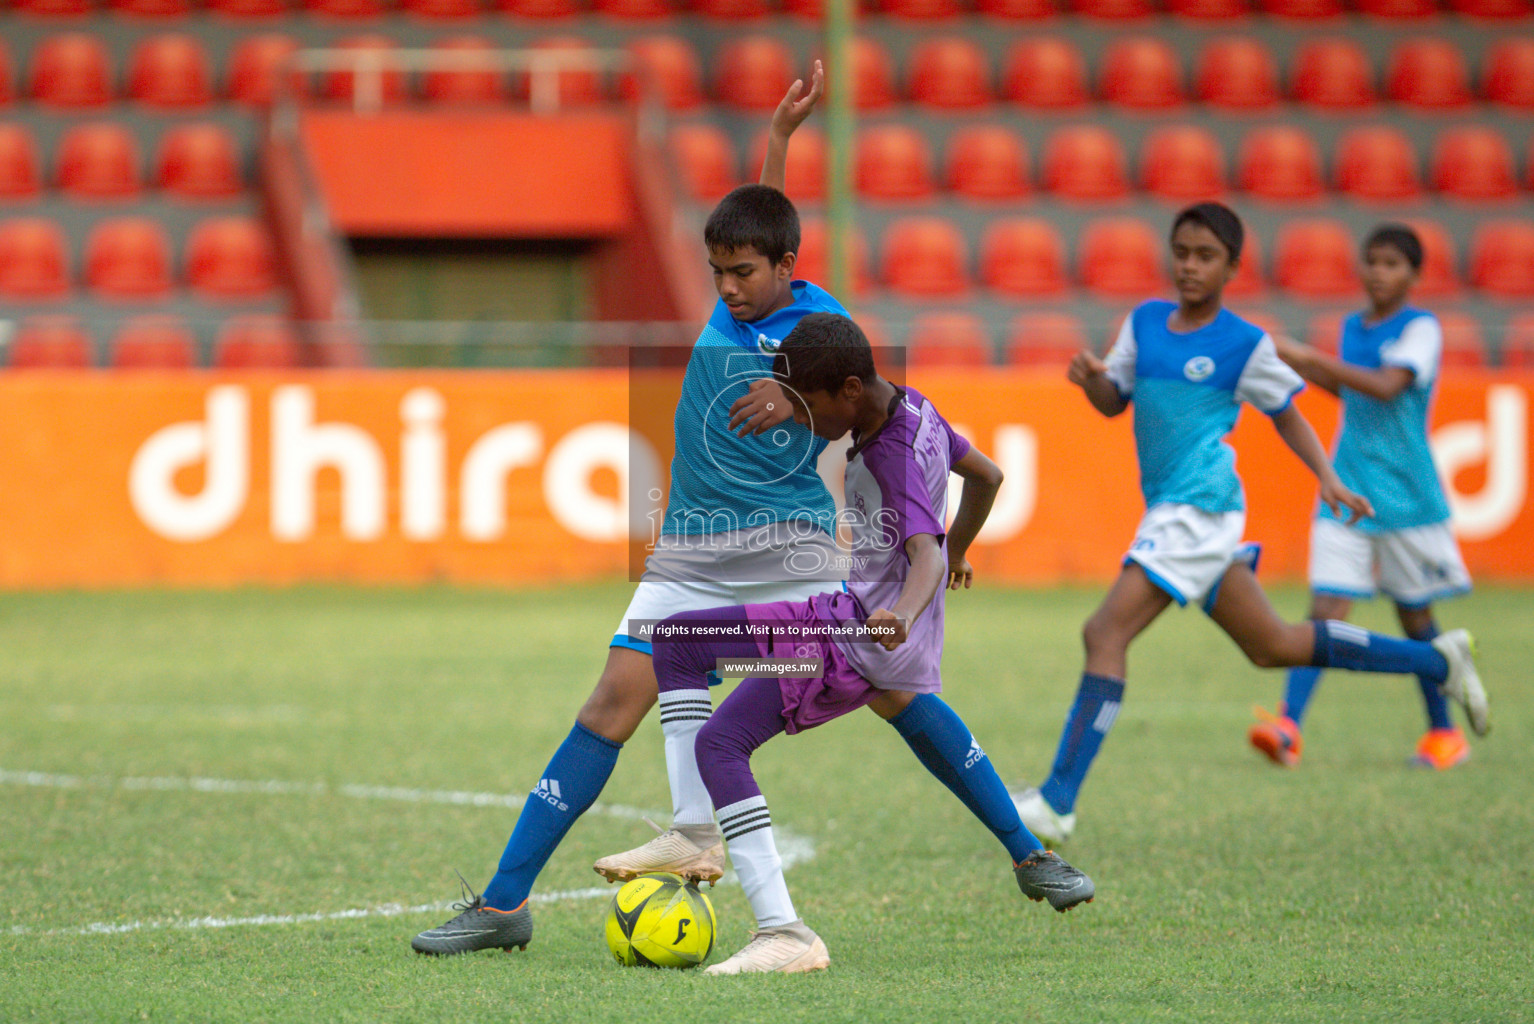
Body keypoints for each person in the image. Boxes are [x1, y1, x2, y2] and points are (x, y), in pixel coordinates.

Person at [411, 65, 852, 956]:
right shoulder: (740, 306)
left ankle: (784, 920)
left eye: (742, 272)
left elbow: (863, 410)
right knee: (611, 703)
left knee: (870, 701)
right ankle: (503, 907)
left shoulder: (819, 333)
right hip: (689, 549)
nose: (725, 287)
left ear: (785, 271)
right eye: (718, 271)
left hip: (772, 550)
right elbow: (765, 225)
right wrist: (780, 139)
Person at [1012, 203, 1488, 847]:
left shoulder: (1244, 342)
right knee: (1276, 645)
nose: (1189, 265)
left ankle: (1058, 803)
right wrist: (1091, 380)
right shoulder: (1145, 323)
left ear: (1232, 268)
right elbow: (1111, 403)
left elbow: (1286, 410)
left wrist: (1328, 476)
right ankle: (1434, 660)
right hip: (1175, 510)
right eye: (1182, 251)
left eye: (1206, 255)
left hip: (1200, 506)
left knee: (1104, 630)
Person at [648, 313, 1094, 976]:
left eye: (805, 406)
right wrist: (962, 548)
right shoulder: (914, 408)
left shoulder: (888, 454)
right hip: (865, 632)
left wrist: (907, 609)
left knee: (703, 700)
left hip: (850, 636)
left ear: (850, 389)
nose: (798, 419)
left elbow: (925, 555)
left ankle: (777, 926)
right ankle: (1032, 856)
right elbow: (989, 476)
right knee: (906, 712)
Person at [1248, 223, 1483, 771]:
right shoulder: (1353, 327)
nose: (1379, 272)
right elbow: (1352, 391)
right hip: (1347, 484)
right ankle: (1287, 728)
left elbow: (1385, 385)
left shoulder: (1422, 328)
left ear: (1415, 275)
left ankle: (1445, 734)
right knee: (1326, 608)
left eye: (1392, 264)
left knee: (1414, 616)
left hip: (1405, 494)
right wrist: (1302, 366)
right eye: (1372, 261)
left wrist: (1306, 354)